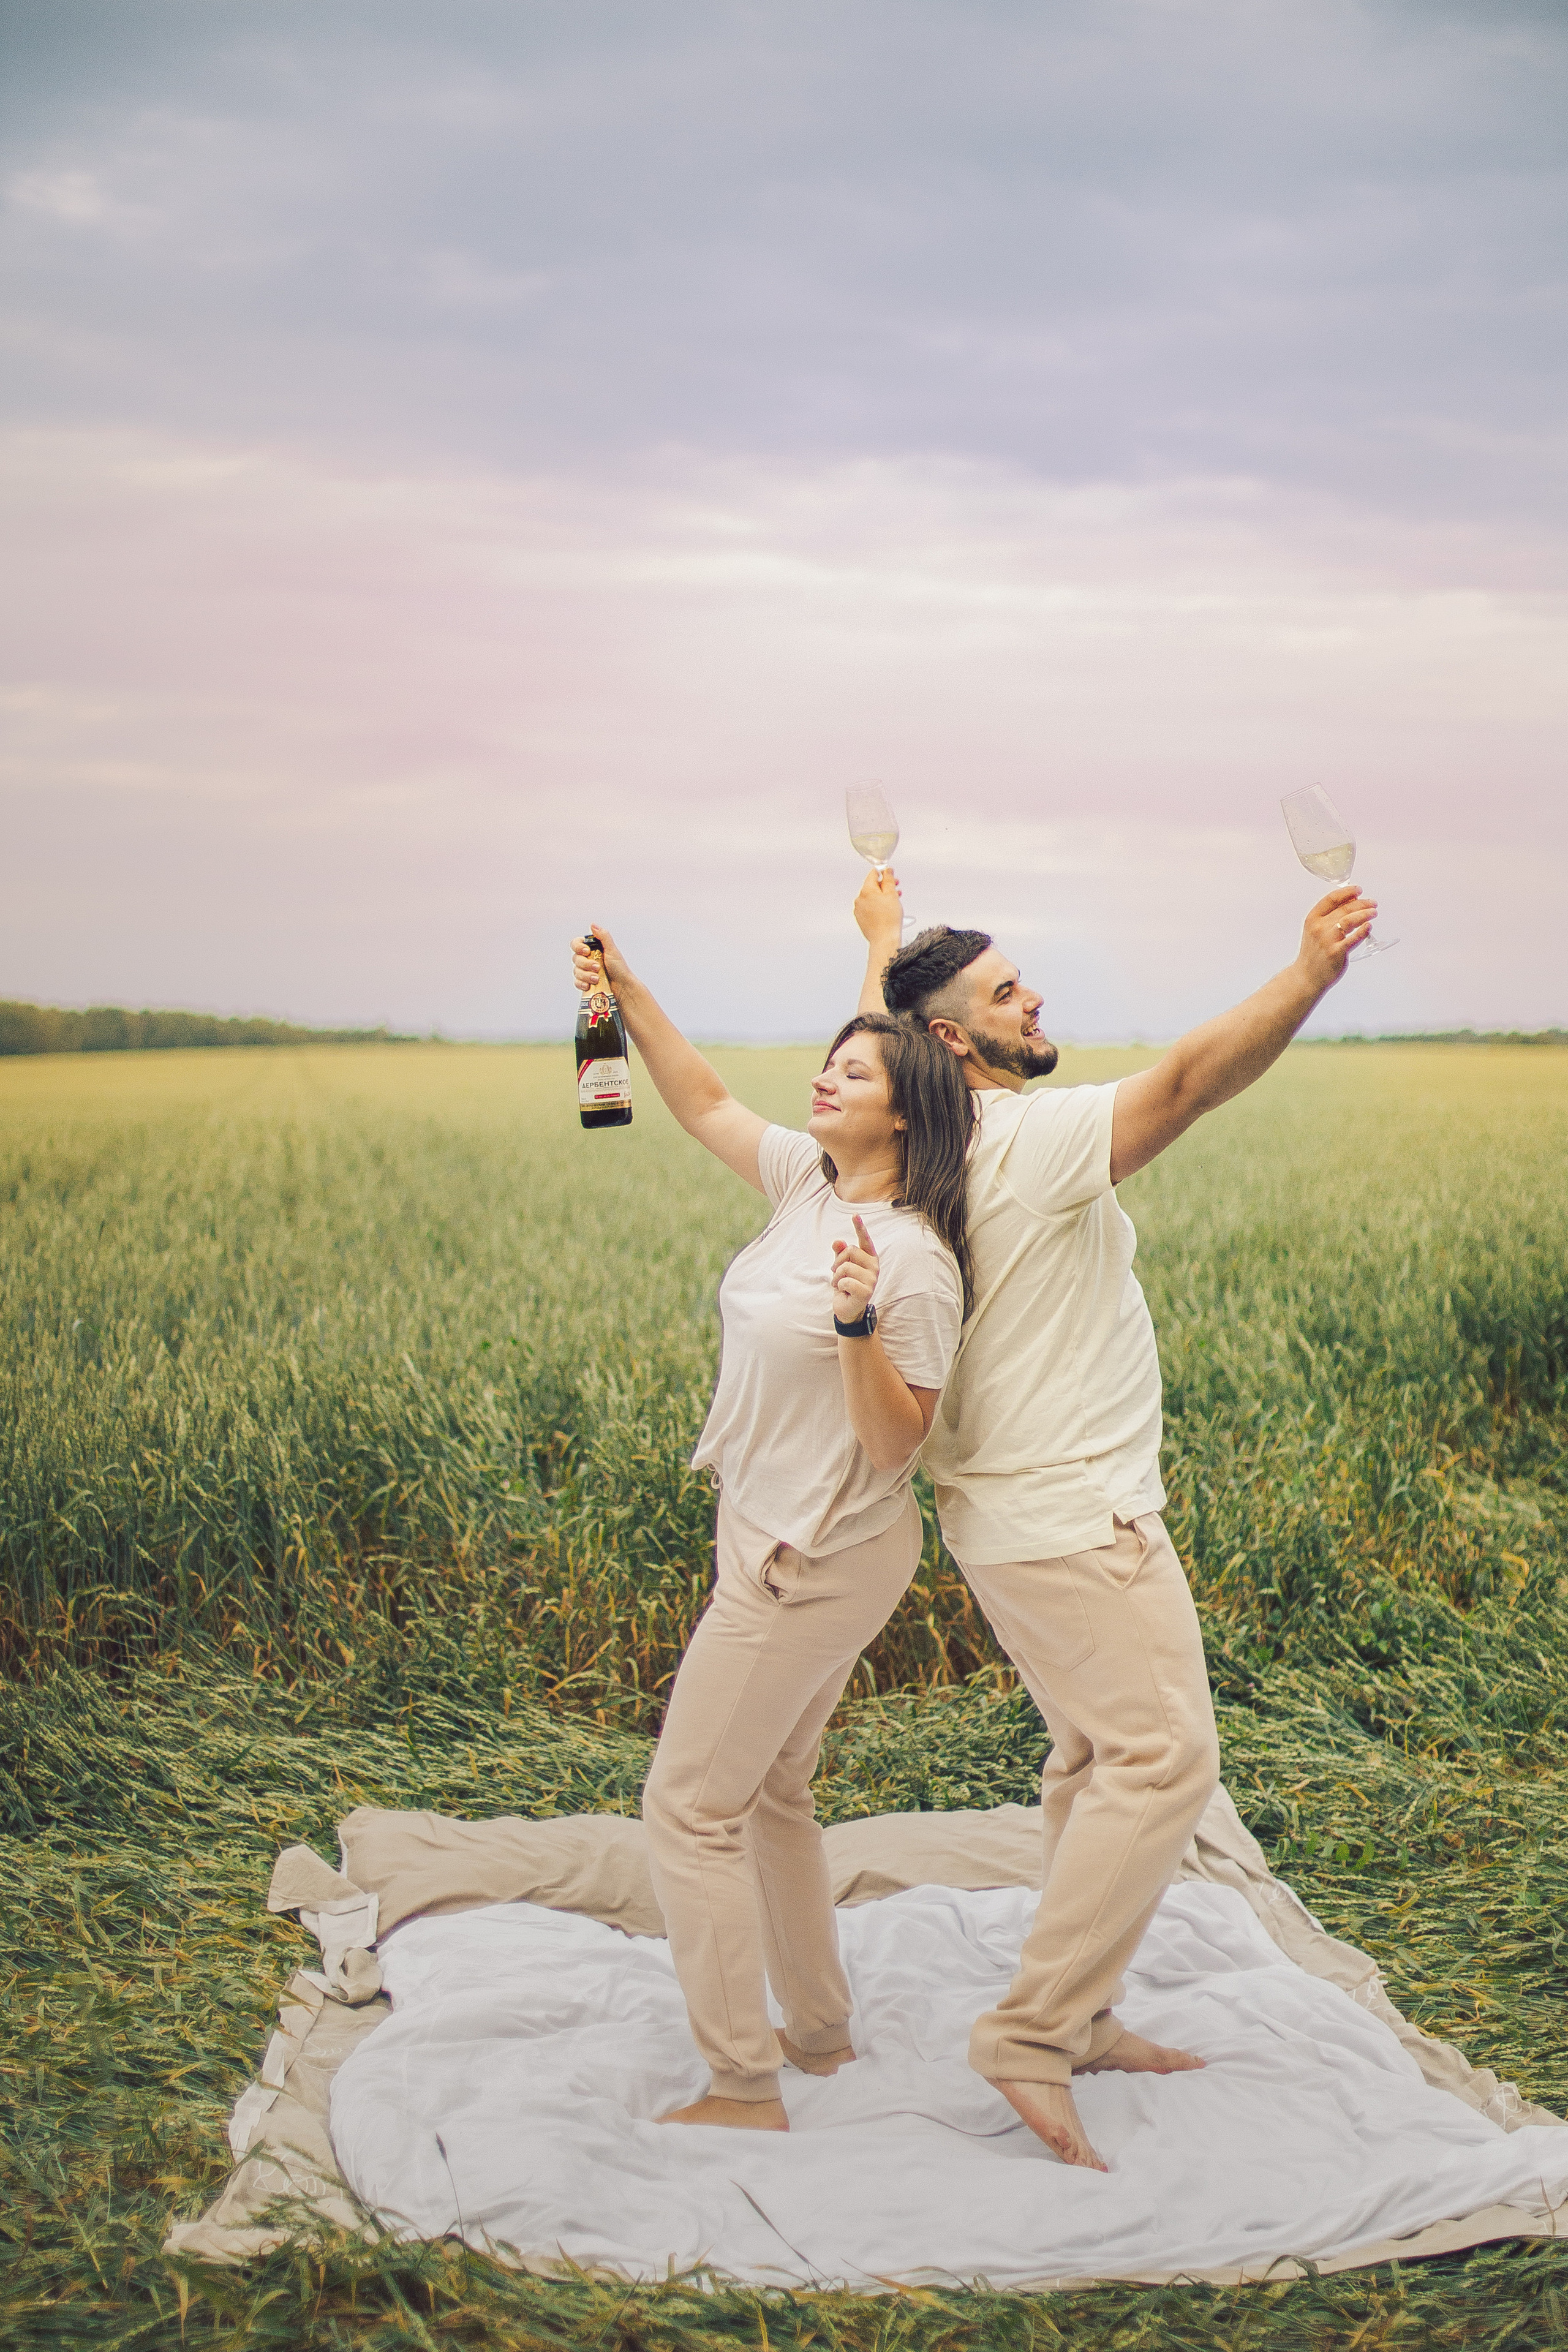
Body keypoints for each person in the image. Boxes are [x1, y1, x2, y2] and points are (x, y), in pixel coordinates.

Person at [853, 866, 1379, 2171]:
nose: (1032, 995)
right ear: (952, 1041)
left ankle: (1080, 2015)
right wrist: (1307, 973)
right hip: (1075, 1519)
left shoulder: (919, 1139)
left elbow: (888, 1021)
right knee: (1162, 1764)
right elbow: (1190, 1080)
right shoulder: (1020, 1143)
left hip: (1006, 1518)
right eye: (1001, 991)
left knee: (1091, 1765)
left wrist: (878, 939)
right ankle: (1030, 2033)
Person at [567, 927, 974, 2133]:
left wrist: (856, 1327)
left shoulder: (911, 1261)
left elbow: (899, 1441)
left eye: (853, 1074)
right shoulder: (805, 1181)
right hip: (762, 1527)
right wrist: (627, 991)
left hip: (814, 1555)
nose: (825, 1081)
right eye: (829, 1064)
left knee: (687, 1805)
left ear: (904, 1117)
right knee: (773, 1791)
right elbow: (696, 1098)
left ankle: (741, 2083)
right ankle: (818, 2034)